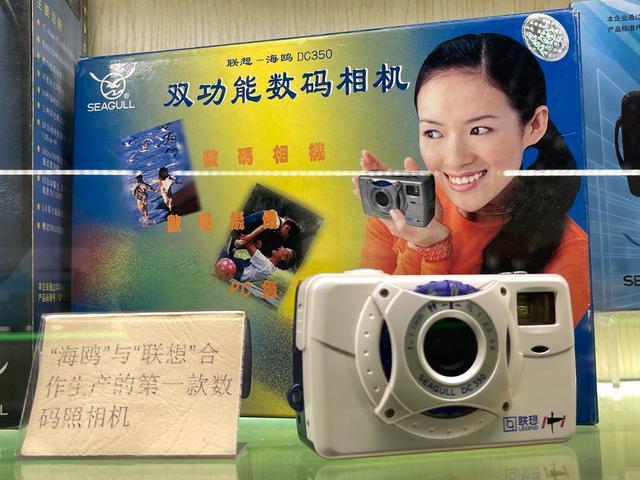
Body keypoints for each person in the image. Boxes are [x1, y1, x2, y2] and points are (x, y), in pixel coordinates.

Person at [358, 33, 589, 326]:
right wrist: (423, 246)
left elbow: (500, 351)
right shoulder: (397, 216)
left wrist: (434, 253)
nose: (455, 158)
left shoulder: (571, 253)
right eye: (433, 132)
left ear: (534, 126)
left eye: (479, 130)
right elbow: (372, 331)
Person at [229, 209, 302, 256]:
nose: (282, 236)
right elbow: (263, 227)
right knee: (247, 239)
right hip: (245, 223)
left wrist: (257, 240)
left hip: (246, 224)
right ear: (287, 228)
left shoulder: (277, 221)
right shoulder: (277, 222)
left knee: (254, 242)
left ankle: (235, 244)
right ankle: (234, 243)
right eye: (285, 235)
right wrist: (249, 237)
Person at [230, 241, 296, 283]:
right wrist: (257, 246)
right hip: (238, 270)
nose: (280, 248)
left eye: (284, 249)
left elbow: (248, 243)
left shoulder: (267, 265)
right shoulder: (269, 266)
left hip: (236, 270)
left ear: (284, 257)